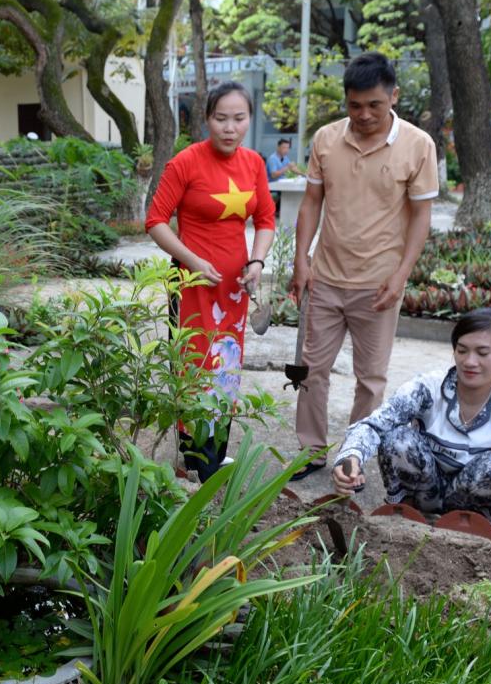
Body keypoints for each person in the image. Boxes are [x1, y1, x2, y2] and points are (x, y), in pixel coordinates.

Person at [290, 51, 439, 480]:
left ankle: (354, 454)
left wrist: (401, 274)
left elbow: (421, 216)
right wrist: (302, 260)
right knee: (310, 369)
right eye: (354, 105)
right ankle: (309, 451)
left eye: (374, 104)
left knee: (371, 379)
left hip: (378, 285)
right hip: (325, 277)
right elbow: (312, 202)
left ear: (393, 95)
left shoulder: (418, 145)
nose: (364, 114)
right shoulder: (326, 140)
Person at [331, 308, 491, 540]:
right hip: (424, 489)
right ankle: (405, 511)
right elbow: (375, 425)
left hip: (473, 500)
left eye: (483, 352)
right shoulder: (428, 387)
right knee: (399, 439)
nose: (470, 361)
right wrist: (351, 457)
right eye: (462, 350)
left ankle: (479, 523)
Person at [146, 81, 277, 481]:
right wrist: (193, 261)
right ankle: (196, 459)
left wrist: (257, 261)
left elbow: (266, 220)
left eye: (239, 119)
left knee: (227, 365)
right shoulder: (185, 162)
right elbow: (154, 221)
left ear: (249, 121)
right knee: (194, 366)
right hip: (191, 287)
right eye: (221, 118)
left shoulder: (254, 163)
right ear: (206, 119)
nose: (229, 127)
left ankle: (215, 453)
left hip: (234, 288)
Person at [266, 138, 299, 219]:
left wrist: (304, 174)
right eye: (284, 148)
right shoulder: (272, 159)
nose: (286, 150)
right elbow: (273, 175)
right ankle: (278, 212)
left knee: (293, 190)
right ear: (278, 147)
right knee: (287, 192)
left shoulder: (285, 158)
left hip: (281, 185)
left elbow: (293, 169)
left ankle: (286, 213)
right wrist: (287, 167)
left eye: (288, 148)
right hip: (271, 186)